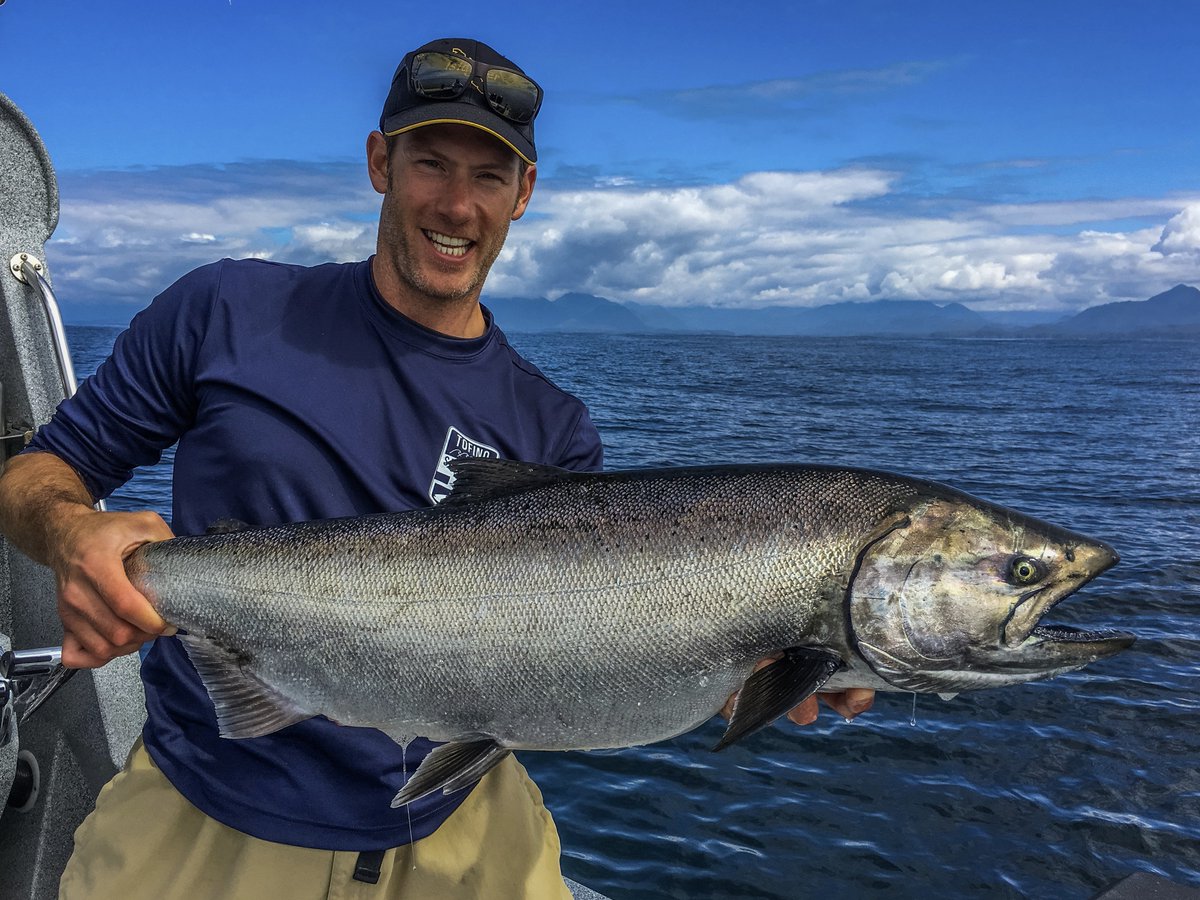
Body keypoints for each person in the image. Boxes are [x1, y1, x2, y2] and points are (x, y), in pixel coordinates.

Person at [0, 37, 873, 899]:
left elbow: (582, 652)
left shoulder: (553, 427)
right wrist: (72, 533)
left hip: (462, 818)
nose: (457, 205)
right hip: (209, 808)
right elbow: (40, 473)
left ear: (523, 194)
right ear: (381, 162)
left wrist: (756, 673)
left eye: (488, 176)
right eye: (431, 164)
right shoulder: (226, 310)